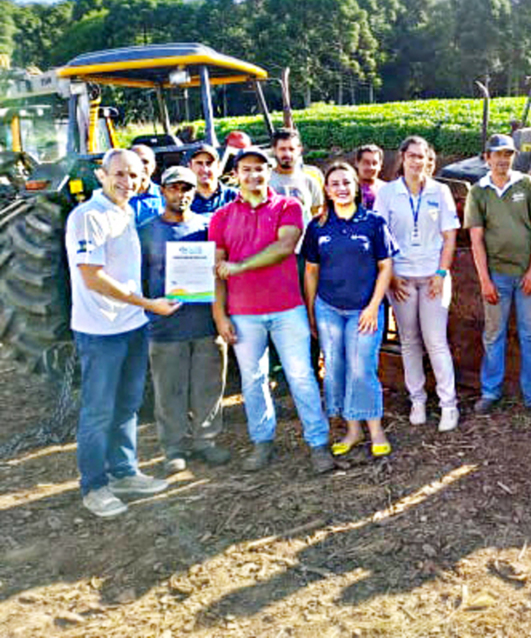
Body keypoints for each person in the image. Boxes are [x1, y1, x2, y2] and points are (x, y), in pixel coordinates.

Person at [65, 148, 180, 518]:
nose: (127, 182)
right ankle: (95, 486)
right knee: (98, 411)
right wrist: (149, 304)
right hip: (101, 331)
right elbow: (92, 276)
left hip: (131, 325)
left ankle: (125, 472)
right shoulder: (87, 216)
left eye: (134, 175)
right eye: (119, 174)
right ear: (102, 175)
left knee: (127, 406)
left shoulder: (125, 211)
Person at [209, 146, 334, 474]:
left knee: (301, 376)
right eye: (246, 169)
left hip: (286, 309)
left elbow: (284, 247)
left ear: (269, 171)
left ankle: (318, 442)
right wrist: (220, 315)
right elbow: (216, 268)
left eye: (259, 169)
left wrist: (240, 267)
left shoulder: (288, 206)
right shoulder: (222, 217)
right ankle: (262, 441)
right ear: (235, 175)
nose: (253, 175)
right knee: (253, 379)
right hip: (243, 313)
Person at [139, 166, 231, 473]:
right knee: (169, 390)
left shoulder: (207, 226)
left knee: (208, 385)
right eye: (175, 188)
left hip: (205, 322)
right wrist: (149, 309)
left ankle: (206, 441)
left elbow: (221, 269)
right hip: (165, 326)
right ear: (162, 191)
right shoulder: (147, 230)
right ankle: (174, 448)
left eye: (188, 189)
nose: (182, 194)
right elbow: (137, 279)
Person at [303, 162, 398, 457]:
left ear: (356, 187)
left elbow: (386, 268)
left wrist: (373, 307)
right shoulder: (317, 226)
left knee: (362, 369)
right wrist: (311, 312)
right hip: (328, 308)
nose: (341, 188)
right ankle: (352, 430)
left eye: (347, 182)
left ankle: (376, 429)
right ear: (327, 190)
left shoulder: (373, 222)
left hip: (364, 309)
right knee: (335, 369)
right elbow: (310, 272)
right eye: (335, 184)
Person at [465, 134, 531, 421]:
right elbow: (476, 238)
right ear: (487, 158)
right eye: (497, 154)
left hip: (527, 275)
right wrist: (484, 280)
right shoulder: (478, 191)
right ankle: (491, 391)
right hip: (497, 275)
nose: (503, 160)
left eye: (508, 154)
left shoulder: (527, 184)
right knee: (494, 334)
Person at [374, 136, 461, 432]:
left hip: (433, 278)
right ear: (402, 158)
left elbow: (449, 236)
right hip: (401, 280)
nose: (417, 162)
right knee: (409, 340)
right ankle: (418, 400)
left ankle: (448, 405)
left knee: (436, 341)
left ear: (427, 159)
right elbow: (381, 237)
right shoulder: (387, 193)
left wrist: (441, 273)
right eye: (411, 156)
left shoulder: (441, 190)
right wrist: (392, 276)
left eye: (421, 156)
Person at [269, 129, 324, 232]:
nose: (287, 154)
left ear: (299, 150)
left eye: (291, 149)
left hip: (304, 245)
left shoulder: (310, 181)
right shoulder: (264, 182)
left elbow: (317, 216)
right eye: (282, 149)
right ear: (274, 150)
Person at [188, 145, 239, 217]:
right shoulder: (184, 199)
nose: (204, 169)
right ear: (190, 167)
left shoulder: (234, 197)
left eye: (209, 163)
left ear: (219, 167)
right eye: (199, 163)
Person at [129, 144, 164, 226]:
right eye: (135, 161)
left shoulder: (166, 197)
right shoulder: (112, 198)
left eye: (145, 162)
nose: (140, 166)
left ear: (153, 166)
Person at [355, 143, 385, 209]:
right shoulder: (348, 188)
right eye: (366, 163)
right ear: (357, 163)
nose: (370, 167)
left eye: (374, 163)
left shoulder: (387, 190)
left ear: (380, 165)